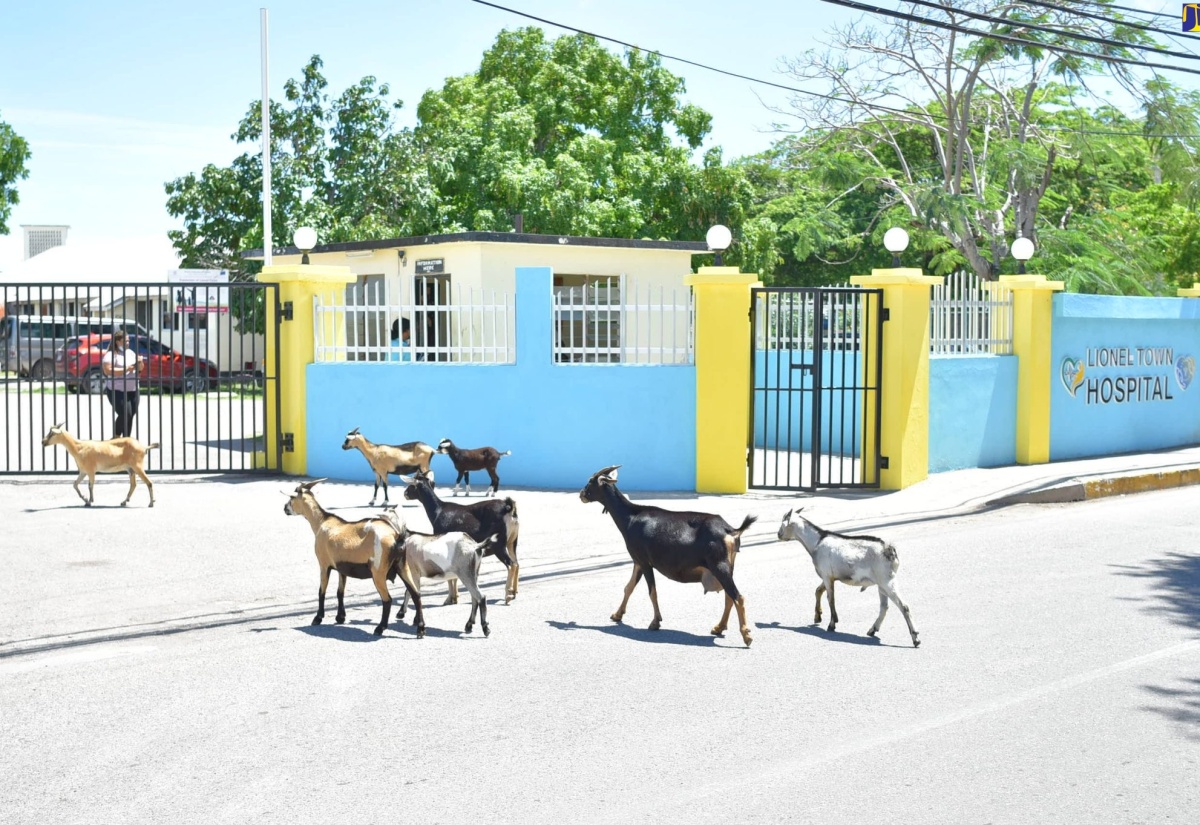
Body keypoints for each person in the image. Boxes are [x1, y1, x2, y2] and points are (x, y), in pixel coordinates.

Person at [101, 330, 141, 437]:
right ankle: (116, 437)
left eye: (128, 341)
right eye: (125, 341)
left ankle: (126, 439)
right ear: (118, 342)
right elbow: (108, 370)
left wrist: (140, 362)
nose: (128, 343)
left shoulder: (131, 353)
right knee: (125, 414)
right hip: (117, 391)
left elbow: (140, 369)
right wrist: (126, 368)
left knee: (131, 414)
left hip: (133, 390)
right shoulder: (111, 355)